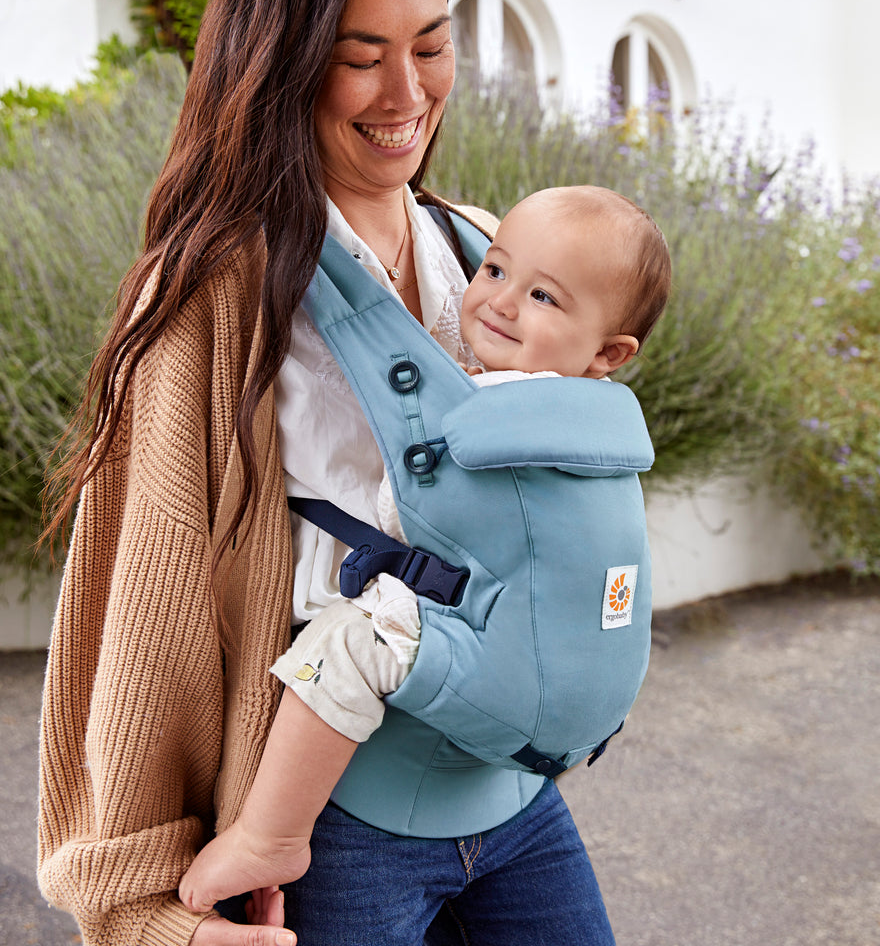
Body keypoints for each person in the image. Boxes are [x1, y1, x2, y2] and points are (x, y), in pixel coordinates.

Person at [37, 0, 625, 945]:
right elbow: (142, 614)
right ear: (280, 61)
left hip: (510, 800)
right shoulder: (211, 295)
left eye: (432, 45)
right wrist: (144, 914)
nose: (406, 91)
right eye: (360, 57)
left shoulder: (476, 249)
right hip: (334, 827)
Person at [177, 183, 671, 916]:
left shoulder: (495, 406)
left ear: (608, 351)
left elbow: (402, 506)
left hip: (494, 695)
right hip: (558, 725)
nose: (500, 302)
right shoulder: (605, 428)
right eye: (496, 270)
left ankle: (270, 834)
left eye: (543, 297)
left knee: (349, 640)